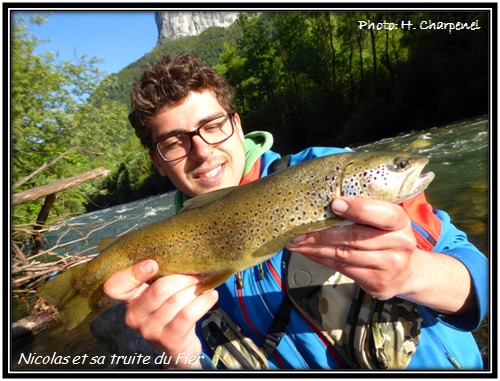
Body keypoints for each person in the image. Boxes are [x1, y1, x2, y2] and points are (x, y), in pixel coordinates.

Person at [102, 53, 488, 370]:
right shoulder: (164, 256)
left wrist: (414, 272)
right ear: (157, 161)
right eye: (174, 142)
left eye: (212, 126)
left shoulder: (334, 168)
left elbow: (481, 280)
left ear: (236, 125)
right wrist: (181, 359)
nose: (201, 150)